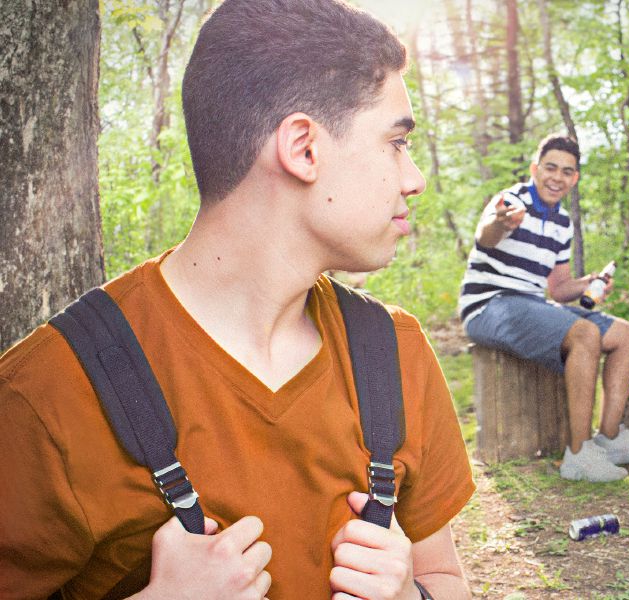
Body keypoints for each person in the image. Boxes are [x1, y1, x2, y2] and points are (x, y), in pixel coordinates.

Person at [0, 2, 474, 598]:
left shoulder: (395, 354)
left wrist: (411, 594)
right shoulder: (46, 394)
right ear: (304, 148)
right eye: (397, 142)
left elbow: (445, 577)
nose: (415, 179)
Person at [458, 134, 629, 483]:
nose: (557, 177)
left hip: (532, 304)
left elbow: (559, 288)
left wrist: (588, 283)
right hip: (489, 305)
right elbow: (485, 236)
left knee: (627, 335)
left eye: (566, 171)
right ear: (535, 169)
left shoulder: (563, 223)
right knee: (584, 334)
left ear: (574, 179)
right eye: (550, 168)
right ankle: (578, 456)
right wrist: (501, 223)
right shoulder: (511, 200)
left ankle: (609, 438)